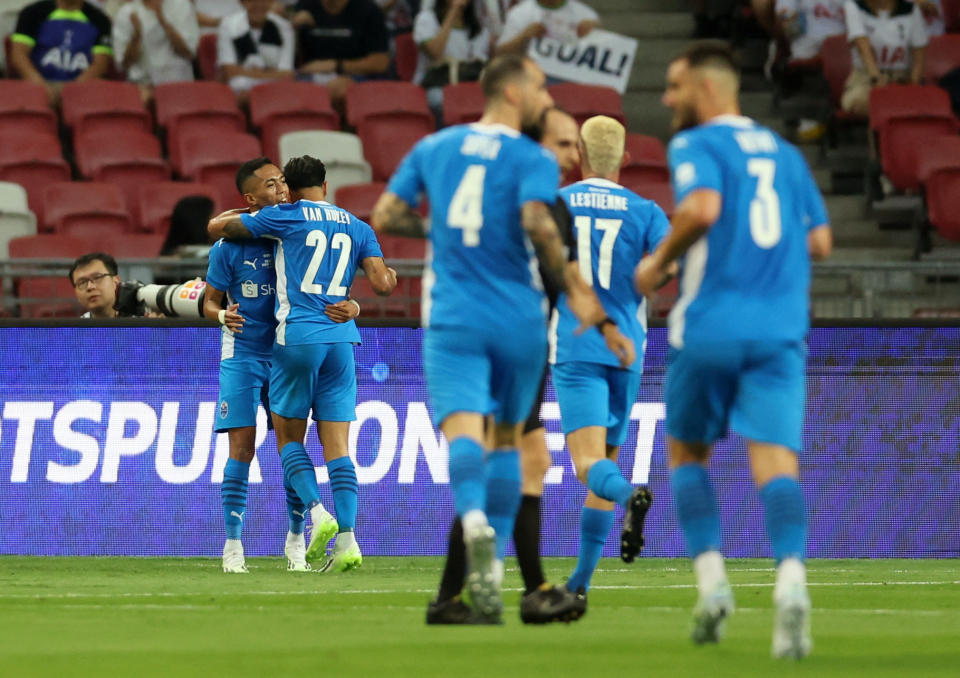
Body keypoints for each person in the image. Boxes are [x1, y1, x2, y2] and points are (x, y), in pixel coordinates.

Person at [371, 53, 633, 624]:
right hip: (520, 321)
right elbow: (542, 232)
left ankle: (476, 529)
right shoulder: (528, 158)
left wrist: (442, 229)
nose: (544, 95)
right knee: (511, 444)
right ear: (512, 93)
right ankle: (518, 583)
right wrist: (601, 318)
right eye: (538, 85)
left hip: (454, 317)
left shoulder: (434, 147)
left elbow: (386, 214)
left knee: (466, 434)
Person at [635, 41, 832, 659]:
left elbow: (702, 207)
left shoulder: (697, 144)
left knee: (687, 455)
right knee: (776, 465)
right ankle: (793, 582)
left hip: (711, 327)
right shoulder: (787, 154)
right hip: (780, 333)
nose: (667, 99)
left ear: (707, 87)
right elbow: (820, 241)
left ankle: (714, 584)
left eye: (674, 86)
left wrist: (658, 264)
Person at [431, 105, 588, 626]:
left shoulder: (545, 202)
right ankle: (518, 587)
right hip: (512, 342)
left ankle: (471, 590)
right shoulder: (532, 202)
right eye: (564, 144)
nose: (573, 155)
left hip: (523, 341)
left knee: (521, 462)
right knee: (517, 459)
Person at [208, 155, 397, 573]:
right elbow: (384, 284)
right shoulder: (357, 225)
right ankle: (347, 539)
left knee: (289, 441)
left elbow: (218, 226)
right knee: (338, 448)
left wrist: (256, 209)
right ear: (326, 186)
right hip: (342, 341)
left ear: (288, 190)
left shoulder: (285, 217)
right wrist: (359, 300)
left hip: (296, 339)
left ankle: (317, 514)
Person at [552, 114, 671, 616]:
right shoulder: (647, 210)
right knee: (605, 461)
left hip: (578, 345)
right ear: (624, 159)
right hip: (628, 350)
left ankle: (630, 495)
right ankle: (579, 583)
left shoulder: (557, 204)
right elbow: (665, 267)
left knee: (588, 466)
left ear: (578, 154)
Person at [292, 0, 391, 110]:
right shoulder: (304, 7)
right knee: (286, 89)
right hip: (309, 75)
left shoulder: (369, 10)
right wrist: (292, 28)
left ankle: (336, 125)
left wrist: (335, 65)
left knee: (338, 90)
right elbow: (290, 58)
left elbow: (381, 63)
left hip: (356, 75)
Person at [10, 0, 113, 104]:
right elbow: (19, 55)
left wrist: (71, 91)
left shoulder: (100, 20)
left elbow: (100, 64)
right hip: (37, 87)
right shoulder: (32, 13)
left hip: (83, 92)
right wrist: (43, 88)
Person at [840, 0, 929, 117]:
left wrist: (914, 85)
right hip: (866, 78)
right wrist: (877, 80)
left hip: (902, 78)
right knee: (863, 101)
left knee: (920, 103)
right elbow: (863, 47)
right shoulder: (854, 6)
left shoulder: (911, 10)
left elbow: (919, 57)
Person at [413, 0, 490, 115]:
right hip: (434, 85)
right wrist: (453, 11)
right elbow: (435, 52)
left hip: (467, 86)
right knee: (441, 100)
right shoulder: (426, 19)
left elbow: (479, 63)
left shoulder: (478, 27)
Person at [112, 0, 199, 94]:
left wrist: (164, 22)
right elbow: (124, 64)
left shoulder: (181, 5)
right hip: (142, 86)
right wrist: (136, 36)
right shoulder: (127, 12)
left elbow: (188, 53)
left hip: (178, 84)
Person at [218, 0, 295, 95]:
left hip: (276, 89)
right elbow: (229, 71)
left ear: (271, 2)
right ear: (242, 2)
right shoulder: (228, 25)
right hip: (242, 91)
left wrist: (246, 72)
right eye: (252, 0)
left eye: (263, 1)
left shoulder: (284, 27)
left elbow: (286, 73)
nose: (258, 5)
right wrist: (269, 73)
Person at [495, 0, 598, 56]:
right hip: (529, 78)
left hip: (571, 80)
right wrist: (523, 37)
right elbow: (499, 53)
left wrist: (593, 33)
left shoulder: (586, 15)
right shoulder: (520, 13)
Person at [69, 252, 123, 318]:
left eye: (97, 278)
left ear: (116, 282)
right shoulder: (78, 327)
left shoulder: (137, 323)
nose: (90, 287)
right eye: (82, 283)